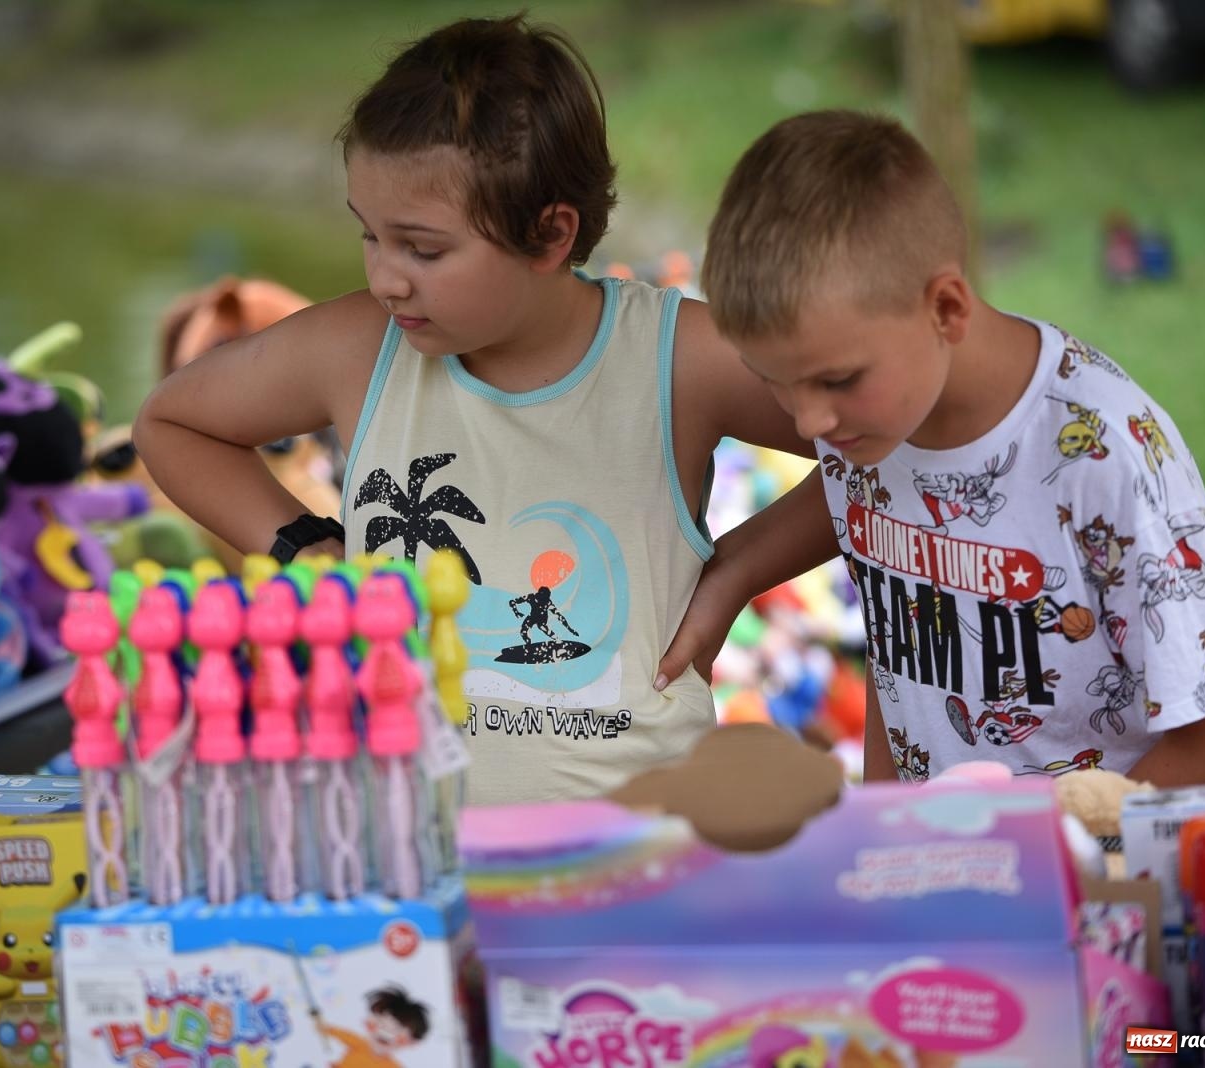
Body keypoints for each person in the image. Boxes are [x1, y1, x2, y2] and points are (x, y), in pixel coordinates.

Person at [134, 14, 833, 804]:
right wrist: (312, 550)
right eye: (370, 237)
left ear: (549, 235)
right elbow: (171, 423)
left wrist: (739, 569)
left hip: (633, 860)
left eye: (423, 250)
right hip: (408, 863)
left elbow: (895, 451)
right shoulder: (357, 350)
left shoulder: (677, 360)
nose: (386, 279)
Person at [699, 109, 1205, 787]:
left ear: (946, 309)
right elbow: (902, 662)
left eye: (838, 380)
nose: (807, 422)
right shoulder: (868, 428)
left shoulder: (1103, 455)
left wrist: (1035, 847)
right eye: (776, 384)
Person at [316, 985, 429, 1068]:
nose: (386, 1033)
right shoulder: (360, 1044)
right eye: (381, 1024)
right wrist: (327, 1029)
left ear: (411, 1042)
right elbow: (345, 1035)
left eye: (397, 1031)